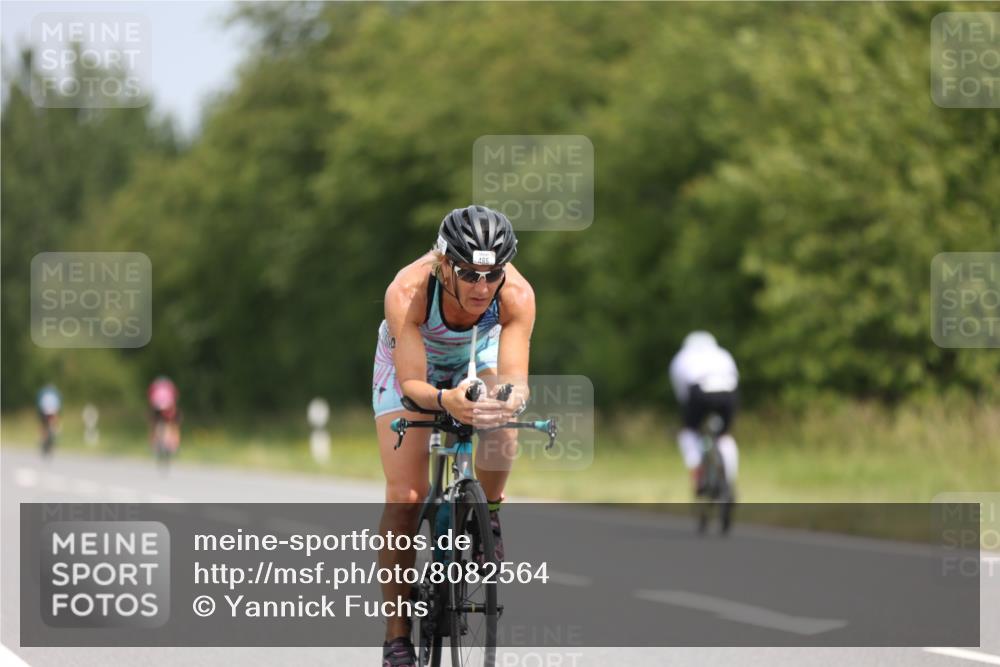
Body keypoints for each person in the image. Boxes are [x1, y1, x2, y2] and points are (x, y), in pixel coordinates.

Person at [372, 205, 535, 666]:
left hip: (474, 353)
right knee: (405, 494)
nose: (482, 287)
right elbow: (413, 387)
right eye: (468, 274)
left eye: (492, 275)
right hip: (412, 362)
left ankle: (490, 514)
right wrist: (448, 402)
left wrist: (507, 401)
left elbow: (515, 379)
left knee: (502, 427)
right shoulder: (408, 290)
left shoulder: (517, 293)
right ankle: (397, 637)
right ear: (444, 264)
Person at [669, 331, 740, 496]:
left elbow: (682, 393)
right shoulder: (723, 353)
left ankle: (698, 474)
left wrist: (688, 415)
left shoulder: (682, 357)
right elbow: (735, 377)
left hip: (699, 391)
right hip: (729, 392)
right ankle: (729, 480)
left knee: (689, 433)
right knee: (724, 436)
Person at [147, 376, 180, 456]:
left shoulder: (154, 387)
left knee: (154, 425)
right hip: (169, 407)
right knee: (173, 425)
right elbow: (175, 397)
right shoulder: (170, 386)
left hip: (157, 407)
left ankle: (153, 444)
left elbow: (150, 397)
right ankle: (174, 445)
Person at [36, 384, 61, 457]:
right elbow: (58, 406)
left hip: (44, 412)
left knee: (44, 426)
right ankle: (55, 433)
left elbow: (39, 404)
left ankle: (42, 438)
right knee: (53, 425)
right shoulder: (55, 394)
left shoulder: (43, 394)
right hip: (53, 412)